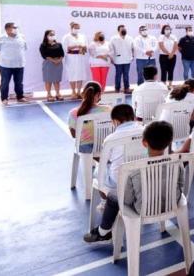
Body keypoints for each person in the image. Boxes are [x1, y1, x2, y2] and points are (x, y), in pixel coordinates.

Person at [81, 105, 146, 242]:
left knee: (100, 172)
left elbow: (106, 161)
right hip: (143, 178)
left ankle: (105, 204)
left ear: (115, 121)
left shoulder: (111, 138)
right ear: (133, 117)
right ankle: (107, 207)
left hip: (120, 182)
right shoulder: (146, 131)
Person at [67, 81, 111, 151]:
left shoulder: (73, 113)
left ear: (83, 94)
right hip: (104, 147)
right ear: (98, 95)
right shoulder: (108, 110)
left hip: (85, 149)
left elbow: (74, 135)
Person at [63, 22, 88, 99]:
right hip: (71, 57)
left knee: (80, 74)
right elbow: (65, 48)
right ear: (71, 28)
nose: (76, 29)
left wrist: (83, 48)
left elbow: (86, 46)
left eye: (78, 28)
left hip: (80, 57)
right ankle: (73, 92)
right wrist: (76, 46)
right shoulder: (67, 37)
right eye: (75, 28)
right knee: (72, 74)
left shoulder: (82, 36)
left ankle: (79, 92)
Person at [39, 29, 64, 102]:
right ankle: (49, 94)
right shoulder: (43, 45)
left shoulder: (58, 44)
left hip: (58, 63)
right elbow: (44, 55)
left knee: (57, 80)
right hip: (48, 63)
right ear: (46, 36)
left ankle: (58, 94)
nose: (52, 36)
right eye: (50, 34)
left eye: (53, 34)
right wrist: (53, 60)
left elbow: (62, 54)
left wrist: (59, 60)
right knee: (48, 80)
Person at [109, 25, 133, 94]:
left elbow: (133, 48)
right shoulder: (113, 38)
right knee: (118, 75)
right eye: (122, 29)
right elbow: (111, 49)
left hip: (127, 60)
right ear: (118, 30)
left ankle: (126, 88)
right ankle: (117, 89)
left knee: (126, 75)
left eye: (124, 29)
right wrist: (111, 58)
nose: (124, 30)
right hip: (118, 60)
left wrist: (132, 56)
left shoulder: (130, 38)